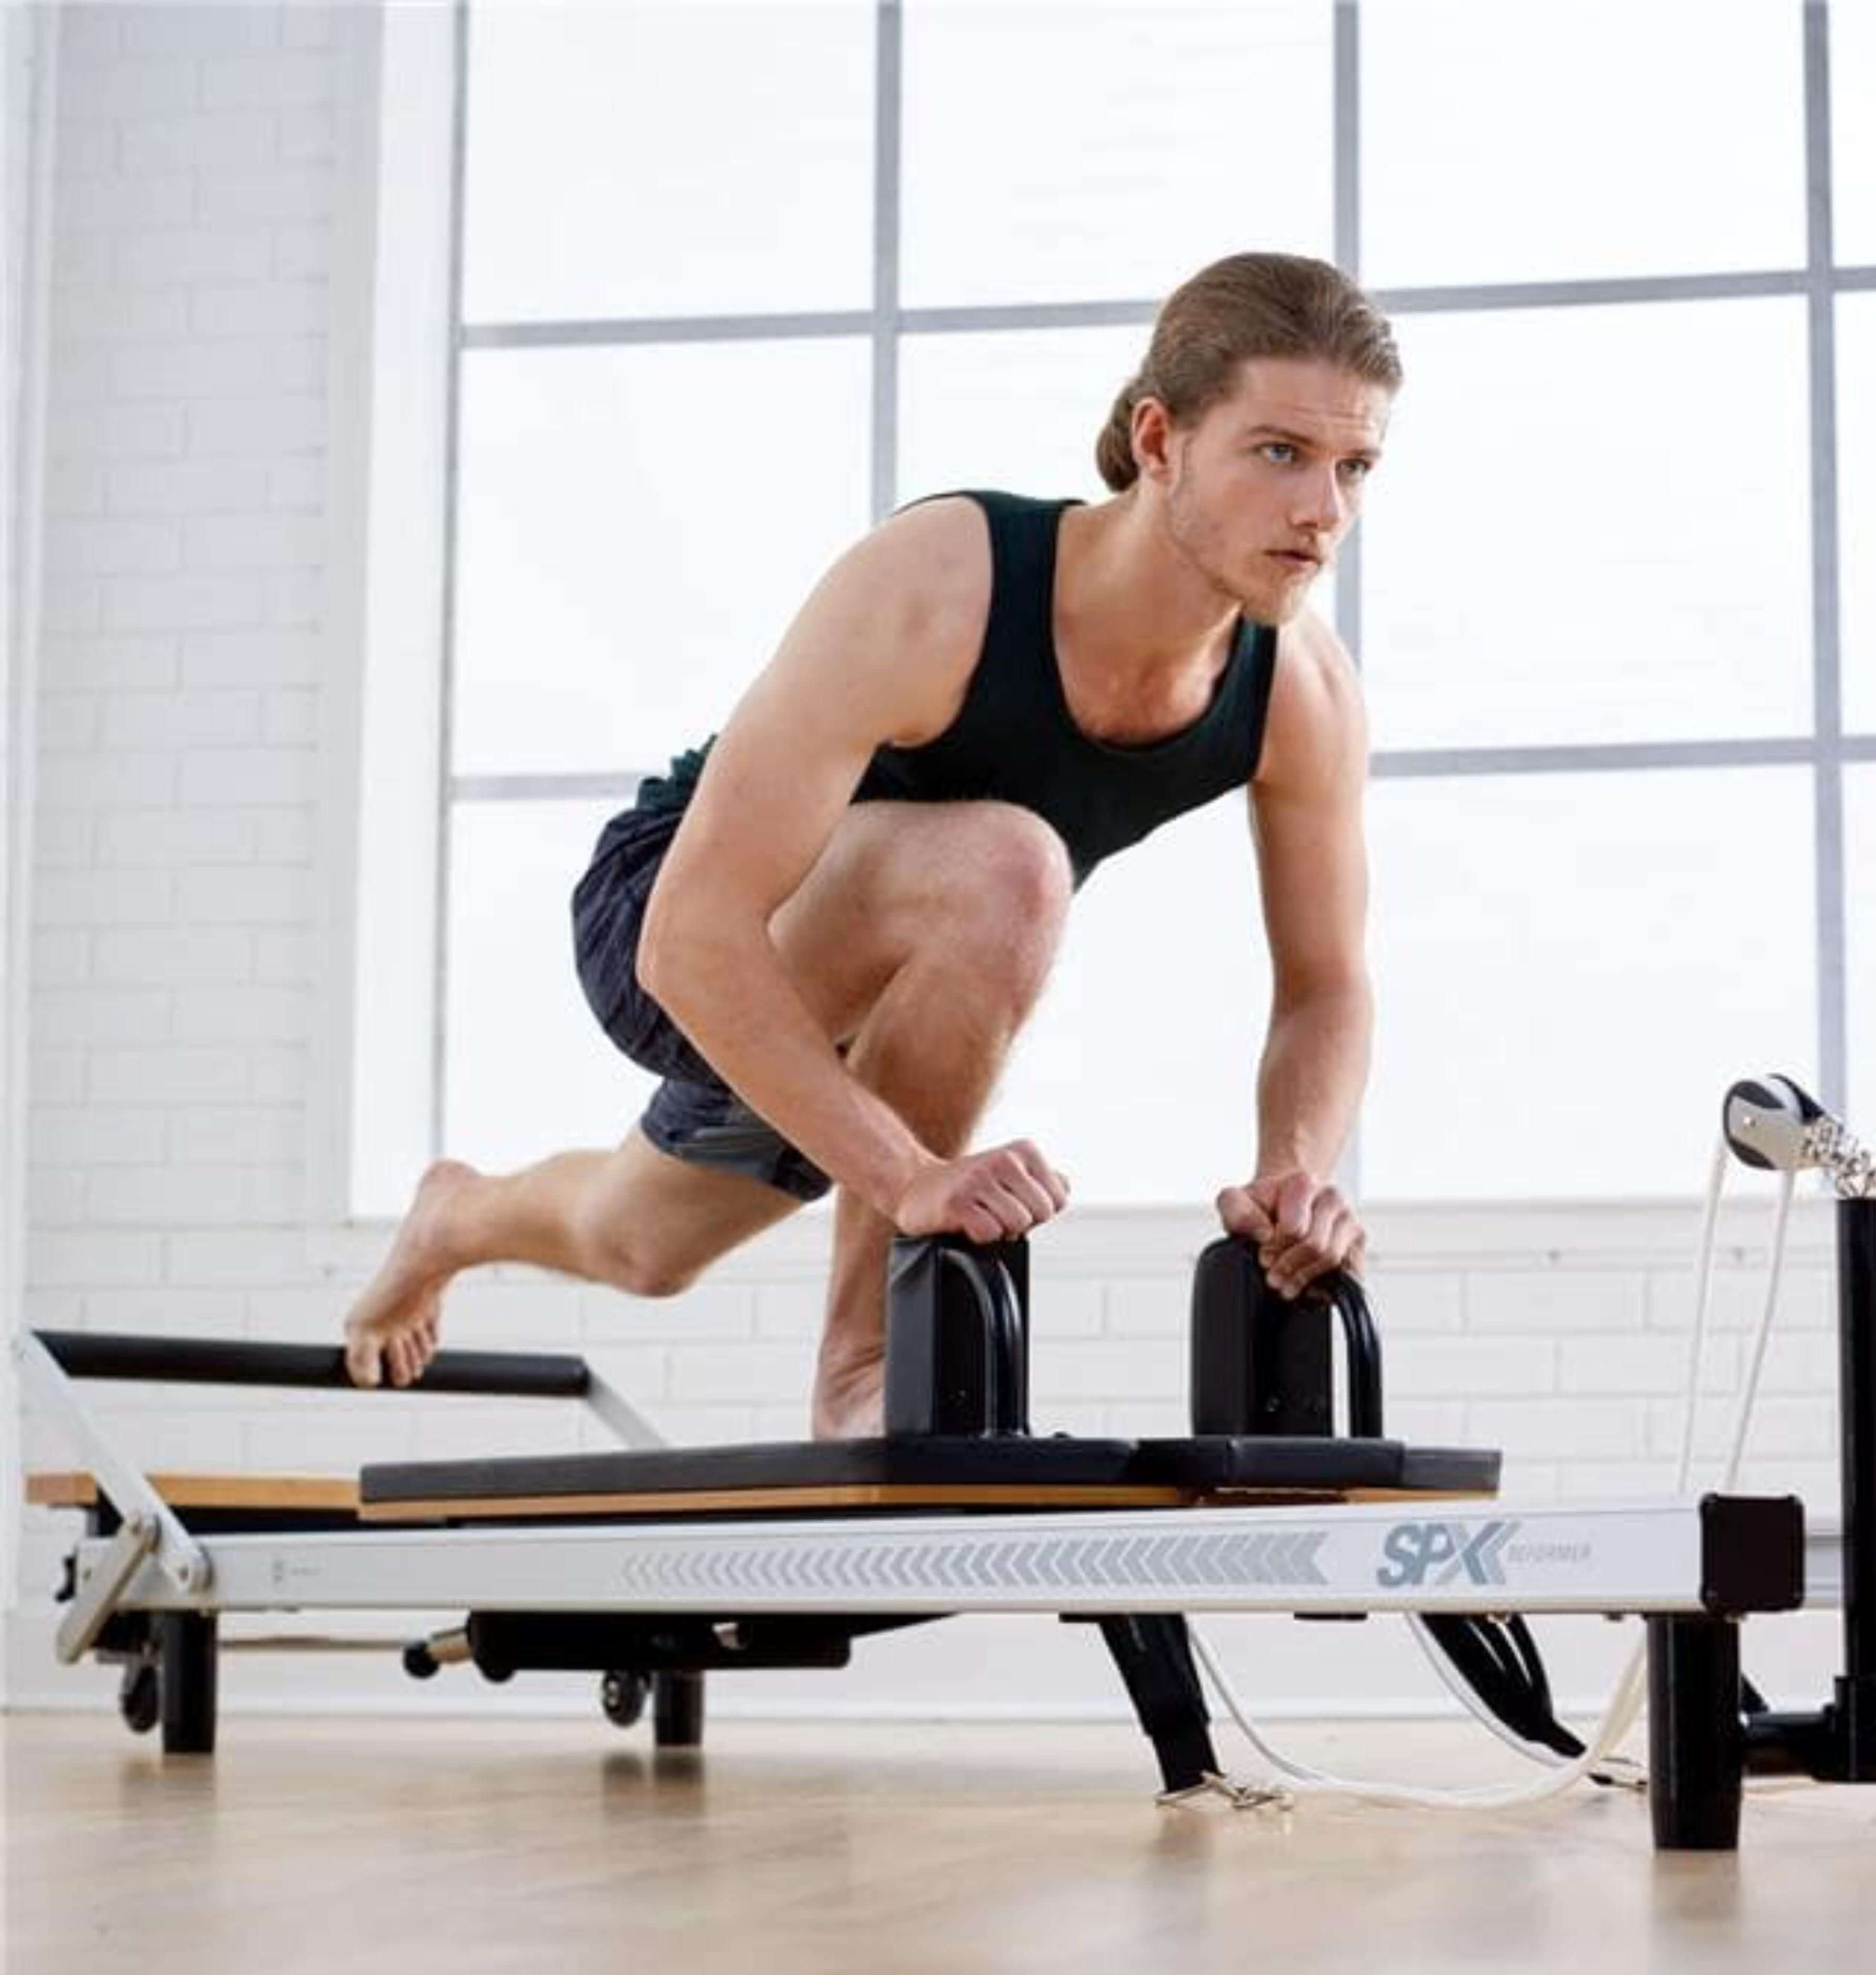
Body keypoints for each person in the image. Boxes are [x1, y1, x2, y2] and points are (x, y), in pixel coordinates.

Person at [343, 252, 1400, 1439]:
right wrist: (907, 1181)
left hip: (888, 987)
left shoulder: (1298, 689)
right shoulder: (945, 581)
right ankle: (863, 1370)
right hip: (682, 918)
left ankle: (455, 1218)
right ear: (1158, 441)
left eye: (1355, 466)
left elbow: (1325, 988)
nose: (1324, 512)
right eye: (1278, 454)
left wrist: (1294, 1174)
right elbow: (691, 940)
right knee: (1012, 866)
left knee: (639, 1247)